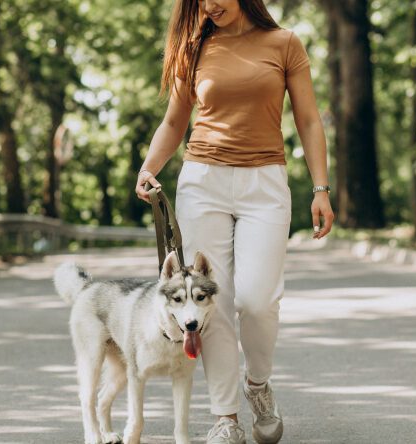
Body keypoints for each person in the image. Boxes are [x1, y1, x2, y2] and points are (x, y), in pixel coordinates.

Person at [133, 0, 335, 442]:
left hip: (265, 184)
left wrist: (320, 188)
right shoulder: (194, 48)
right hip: (202, 181)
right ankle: (226, 417)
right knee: (212, 305)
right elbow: (174, 120)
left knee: (258, 301)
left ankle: (257, 384)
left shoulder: (284, 44)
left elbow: (307, 119)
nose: (209, 4)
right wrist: (149, 168)